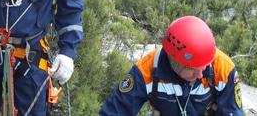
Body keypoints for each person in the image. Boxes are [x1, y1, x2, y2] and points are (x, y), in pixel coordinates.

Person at [100, 16, 244, 116]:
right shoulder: (146, 71)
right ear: (174, 62)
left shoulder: (223, 69)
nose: (200, 74)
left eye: (205, 66)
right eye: (193, 69)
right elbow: (115, 111)